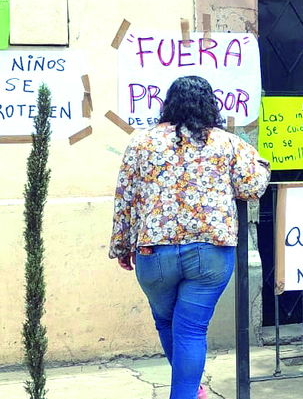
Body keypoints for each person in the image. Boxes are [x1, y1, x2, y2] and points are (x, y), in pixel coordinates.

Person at [109, 76, 271, 399]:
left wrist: (122, 246)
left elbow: (125, 197)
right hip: (210, 252)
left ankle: (190, 390)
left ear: (169, 104)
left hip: (154, 253)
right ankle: (187, 391)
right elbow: (252, 186)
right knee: (191, 330)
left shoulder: (141, 142)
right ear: (210, 105)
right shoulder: (225, 143)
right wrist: (262, 167)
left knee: (166, 322)